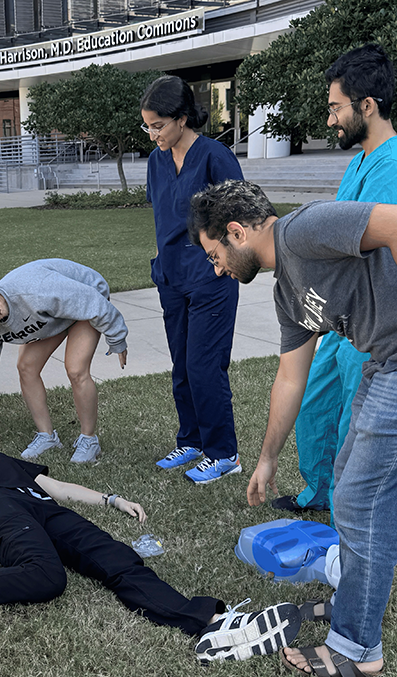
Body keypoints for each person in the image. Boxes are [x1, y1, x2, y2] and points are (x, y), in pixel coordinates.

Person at [188, 180, 397, 677]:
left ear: (236, 232)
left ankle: (359, 648)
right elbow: (290, 377)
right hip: (394, 361)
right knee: (347, 483)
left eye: (214, 254)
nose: (217, 268)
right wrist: (269, 457)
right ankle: (353, 600)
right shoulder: (287, 294)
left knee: (364, 502)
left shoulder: (301, 230)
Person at [0, 435, 303, 663]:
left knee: (119, 559)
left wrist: (112, 500)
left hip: (41, 507)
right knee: (46, 576)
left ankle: (210, 621)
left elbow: (56, 488)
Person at [275, 44, 397, 515]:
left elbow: (380, 247)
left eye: (335, 108)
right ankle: (316, 493)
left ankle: (345, 514)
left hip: (370, 321)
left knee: (352, 426)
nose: (330, 120)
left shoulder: (396, 164)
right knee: (315, 409)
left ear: (367, 106)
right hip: (340, 321)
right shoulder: (361, 157)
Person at [140, 75, 243, 484]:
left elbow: (243, 215)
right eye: (147, 126)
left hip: (210, 278)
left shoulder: (214, 156)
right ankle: (192, 440)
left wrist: (225, 259)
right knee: (182, 366)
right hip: (171, 278)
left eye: (158, 125)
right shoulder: (155, 161)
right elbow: (163, 214)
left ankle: (223, 453)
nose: (152, 134)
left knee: (205, 367)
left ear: (182, 119)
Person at [0, 259, 128, 464]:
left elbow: (93, 302)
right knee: (26, 367)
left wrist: (116, 338)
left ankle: (89, 440)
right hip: (53, 315)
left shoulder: (36, 292)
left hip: (86, 298)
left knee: (76, 369)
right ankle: (47, 436)